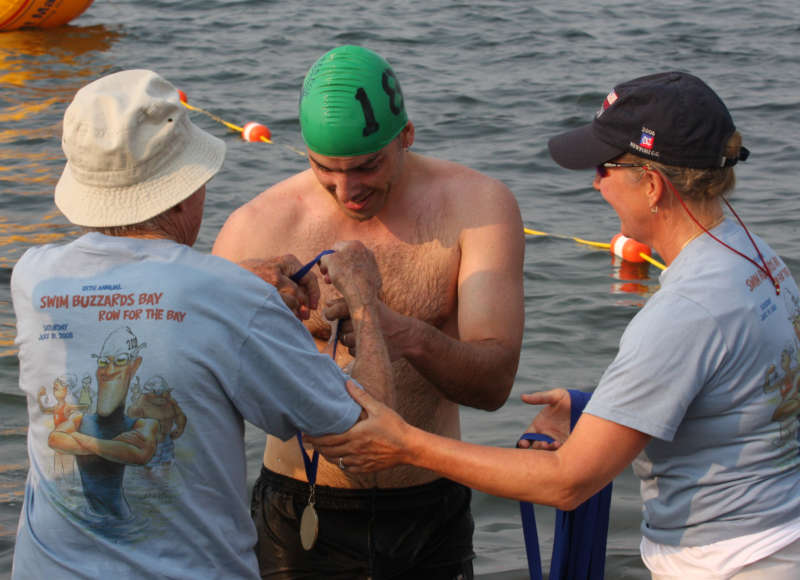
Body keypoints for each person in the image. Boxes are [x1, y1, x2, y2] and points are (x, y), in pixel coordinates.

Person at [307, 72, 800, 579]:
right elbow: (738, 391)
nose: (595, 182)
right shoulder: (755, 258)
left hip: (732, 563)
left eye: (604, 167)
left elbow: (567, 482)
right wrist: (602, 408)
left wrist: (406, 443)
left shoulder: (685, 310)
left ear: (652, 185)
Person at [11, 68, 393, 579]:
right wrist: (366, 303)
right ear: (188, 187)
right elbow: (373, 441)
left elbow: (138, 287)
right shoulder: (231, 299)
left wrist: (230, 278)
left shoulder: (32, 278)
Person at [213, 44, 524, 578]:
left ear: (405, 135)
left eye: (366, 167)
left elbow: (494, 385)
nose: (346, 190)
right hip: (298, 507)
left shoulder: (478, 208)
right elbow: (201, 382)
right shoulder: (257, 224)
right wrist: (240, 306)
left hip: (429, 505)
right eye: (324, 170)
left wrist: (400, 332)